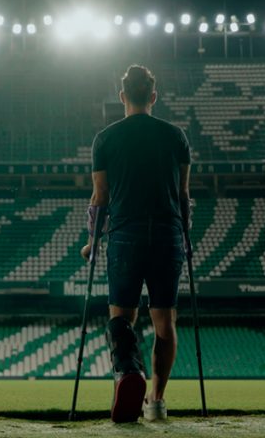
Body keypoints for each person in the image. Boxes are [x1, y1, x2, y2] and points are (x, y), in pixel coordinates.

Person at [81, 64, 191, 423]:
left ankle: (128, 374)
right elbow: (184, 194)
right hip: (166, 234)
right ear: (154, 97)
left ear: (122, 97)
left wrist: (92, 241)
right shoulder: (176, 136)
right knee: (164, 322)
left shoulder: (106, 138)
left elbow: (100, 197)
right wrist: (184, 238)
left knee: (122, 319)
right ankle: (156, 401)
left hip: (125, 237)